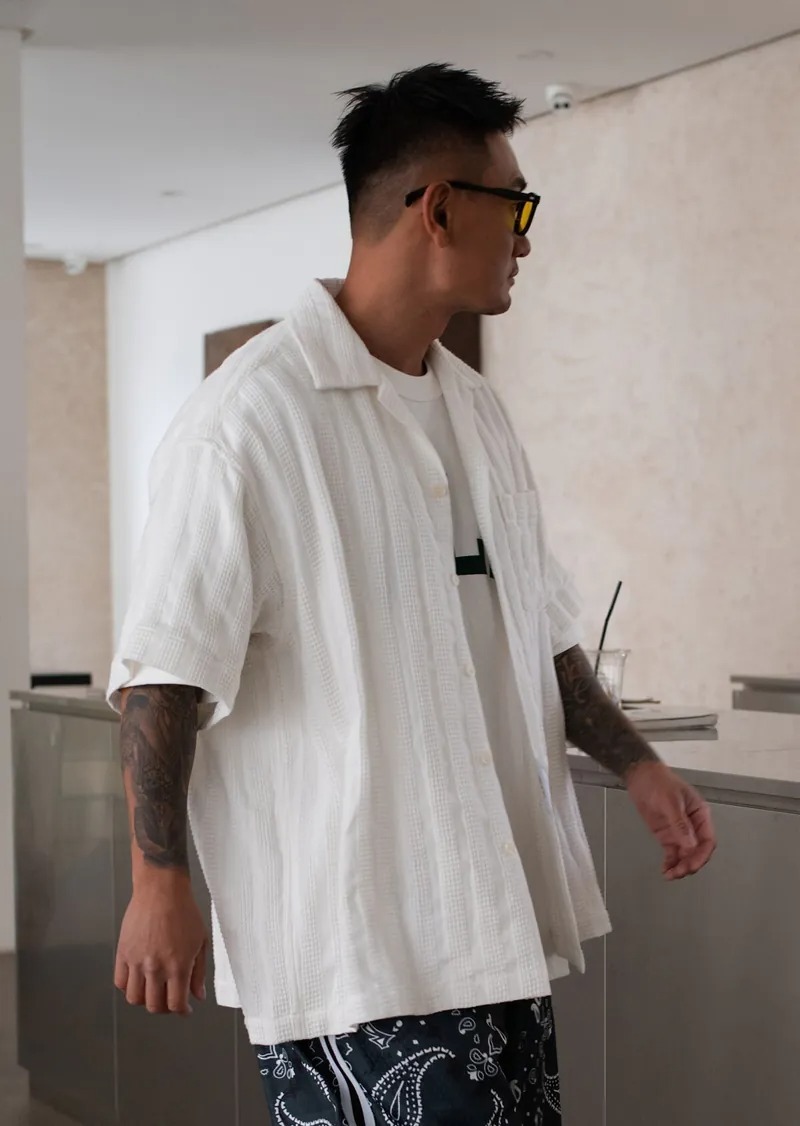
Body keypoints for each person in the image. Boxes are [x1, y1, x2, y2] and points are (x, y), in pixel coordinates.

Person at [109, 63, 716, 1125]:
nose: (525, 238)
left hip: (491, 920)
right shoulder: (248, 424)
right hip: (354, 947)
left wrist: (639, 762)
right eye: (513, 204)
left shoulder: (476, 411)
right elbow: (165, 674)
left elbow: (539, 631)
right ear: (438, 208)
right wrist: (158, 883)